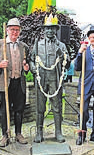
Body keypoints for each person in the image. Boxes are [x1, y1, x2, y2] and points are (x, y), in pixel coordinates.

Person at [29, 14, 70, 143]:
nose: (50, 31)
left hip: (55, 79)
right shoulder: (37, 45)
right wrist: (32, 68)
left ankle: (58, 132)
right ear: (43, 30)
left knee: (57, 107)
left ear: (56, 30)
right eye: (47, 28)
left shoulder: (62, 46)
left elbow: (67, 63)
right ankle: (39, 132)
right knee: (40, 107)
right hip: (41, 79)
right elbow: (31, 59)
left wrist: (64, 57)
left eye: (52, 28)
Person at [0, 18, 29, 147]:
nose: (14, 32)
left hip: (19, 82)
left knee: (19, 109)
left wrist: (26, 68)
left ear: (20, 31)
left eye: (17, 30)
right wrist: (0, 65)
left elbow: (26, 64)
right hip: (4, 83)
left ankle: (18, 133)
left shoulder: (23, 46)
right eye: (12, 29)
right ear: (7, 30)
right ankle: (5, 135)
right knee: (4, 109)